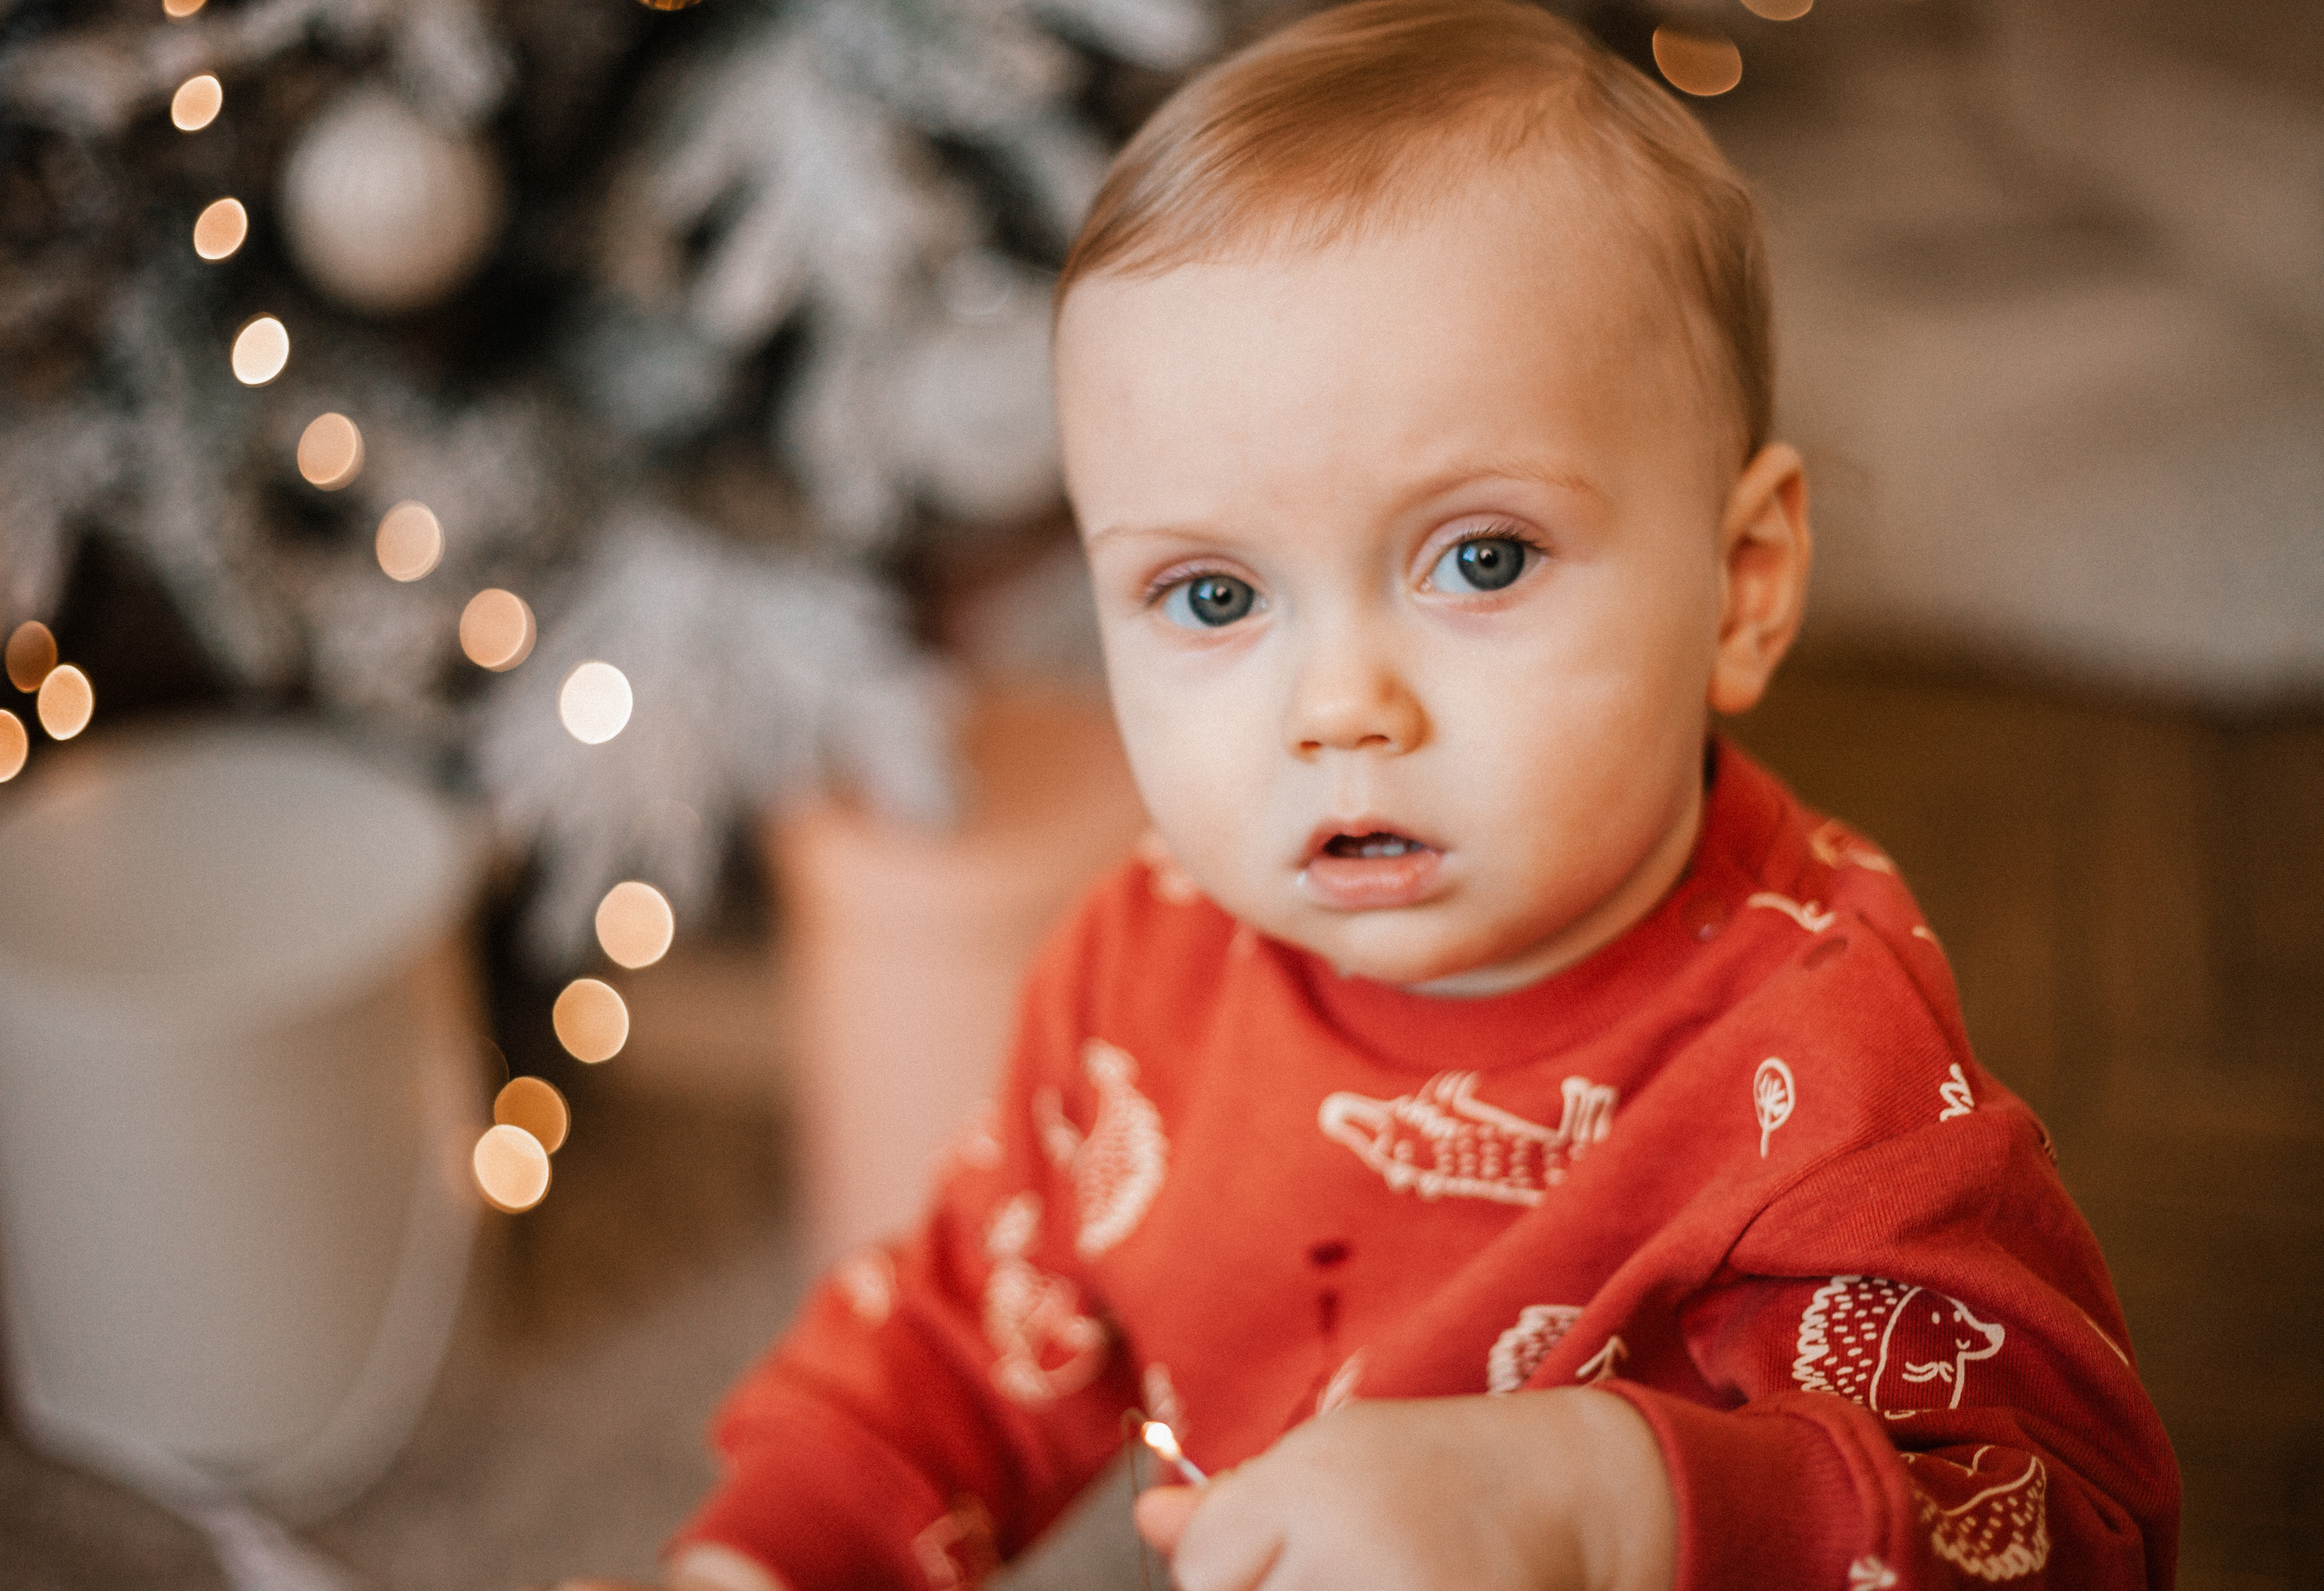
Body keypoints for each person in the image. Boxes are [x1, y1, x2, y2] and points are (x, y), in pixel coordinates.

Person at [649, 2, 2180, 1586]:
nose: (1339, 709)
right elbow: (966, 1348)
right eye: (1214, 597)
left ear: (1739, 586)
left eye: (1480, 558)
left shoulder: (1813, 1052)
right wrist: (761, 1561)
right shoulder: (1147, 961)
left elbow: (2075, 1526)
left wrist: (1610, 1505)